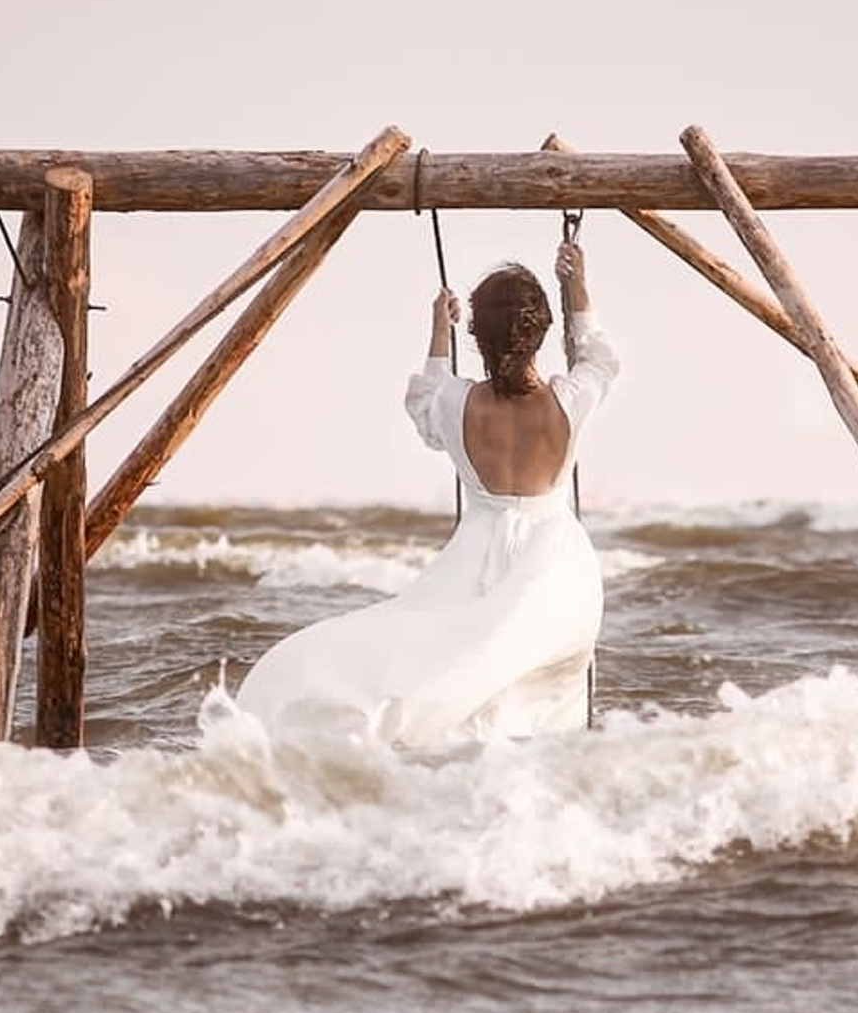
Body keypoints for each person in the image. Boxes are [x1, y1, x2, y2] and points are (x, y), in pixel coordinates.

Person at [235, 240, 618, 747]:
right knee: (524, 673)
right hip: (554, 562)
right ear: (541, 331)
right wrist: (577, 288)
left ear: (476, 334)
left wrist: (440, 328)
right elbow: (601, 358)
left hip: (474, 552)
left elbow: (424, 399)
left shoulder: (453, 403)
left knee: (449, 652)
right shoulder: (569, 402)